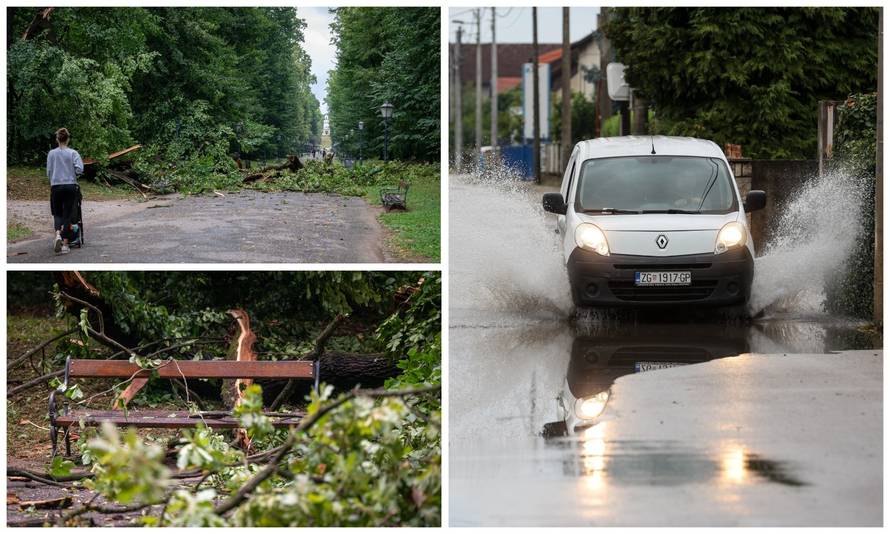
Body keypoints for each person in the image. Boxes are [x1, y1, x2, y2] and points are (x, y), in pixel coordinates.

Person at [47, 128, 84, 254]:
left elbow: (49, 171)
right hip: (70, 186)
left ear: (57, 139)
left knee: (57, 213)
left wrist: (53, 180)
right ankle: (65, 245)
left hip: (56, 186)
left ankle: (58, 234)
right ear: (68, 139)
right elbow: (80, 169)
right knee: (67, 213)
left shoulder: (51, 154)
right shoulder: (73, 153)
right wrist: (73, 173)